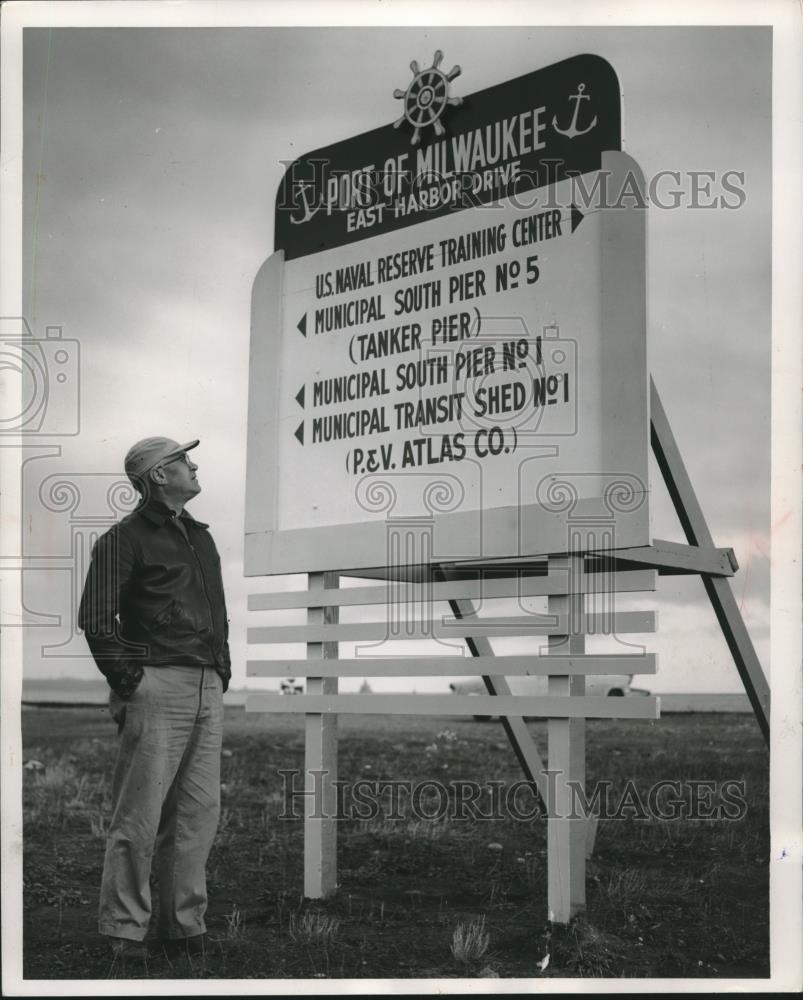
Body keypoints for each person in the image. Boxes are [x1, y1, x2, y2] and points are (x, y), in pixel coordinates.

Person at [78, 436, 231, 960]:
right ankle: (124, 931)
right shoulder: (124, 538)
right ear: (159, 476)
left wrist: (220, 674)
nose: (193, 465)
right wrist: (131, 682)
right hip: (156, 684)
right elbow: (97, 619)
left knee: (197, 813)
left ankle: (182, 927)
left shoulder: (199, 537)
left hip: (206, 685)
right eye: (183, 460)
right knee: (140, 814)